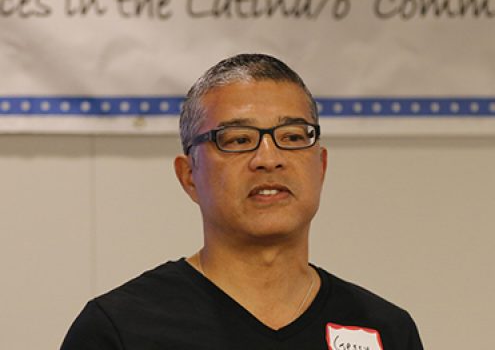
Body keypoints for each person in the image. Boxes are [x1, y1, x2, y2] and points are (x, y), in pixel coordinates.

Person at [61, 54, 423, 349]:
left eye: (292, 137)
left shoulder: (386, 330)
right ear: (189, 176)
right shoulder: (121, 329)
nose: (269, 158)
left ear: (322, 167)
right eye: (238, 139)